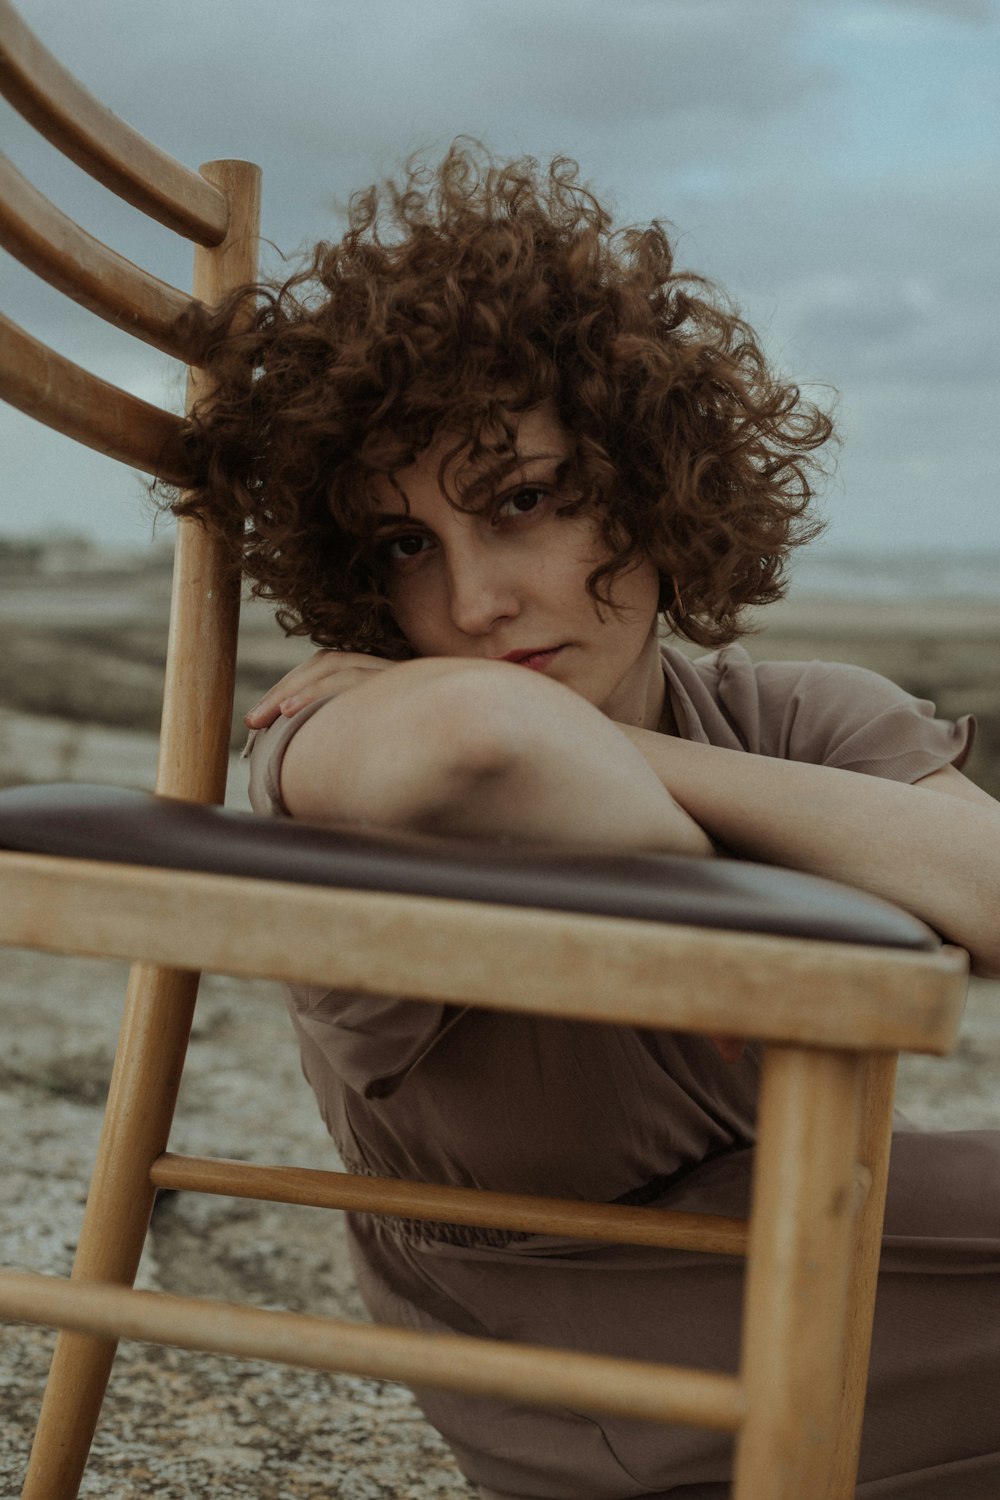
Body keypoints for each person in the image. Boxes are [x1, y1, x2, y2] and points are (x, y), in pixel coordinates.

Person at [169, 144, 1000, 1499]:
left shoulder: (798, 716)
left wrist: (652, 780)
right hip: (592, 1352)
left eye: (521, 501)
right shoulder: (341, 738)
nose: (475, 603)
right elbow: (488, 742)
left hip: (825, 1248)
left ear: (649, 473)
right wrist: (791, 883)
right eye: (403, 547)